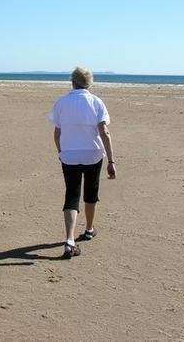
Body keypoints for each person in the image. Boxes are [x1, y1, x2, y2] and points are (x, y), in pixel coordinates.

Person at [48, 67, 116, 259]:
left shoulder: (62, 103)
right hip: (93, 154)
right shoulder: (96, 102)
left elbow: (57, 133)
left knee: (72, 194)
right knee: (90, 192)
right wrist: (111, 160)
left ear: (72, 82)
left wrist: (62, 152)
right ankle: (89, 229)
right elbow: (104, 132)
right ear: (90, 83)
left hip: (69, 155)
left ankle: (69, 240)